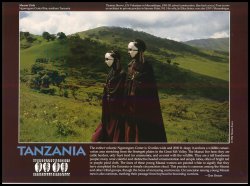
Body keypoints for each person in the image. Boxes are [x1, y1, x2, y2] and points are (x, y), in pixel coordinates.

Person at [124, 39, 167, 142]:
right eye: (128, 49)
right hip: (130, 103)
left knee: (142, 129)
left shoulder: (147, 67)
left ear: (138, 50)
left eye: (131, 49)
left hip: (142, 105)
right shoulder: (130, 65)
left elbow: (150, 89)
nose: (128, 51)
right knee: (130, 127)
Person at [92, 50, 126, 142]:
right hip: (108, 109)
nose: (105, 61)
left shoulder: (122, 74)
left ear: (115, 60)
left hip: (117, 111)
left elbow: (120, 93)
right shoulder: (112, 72)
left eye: (107, 59)